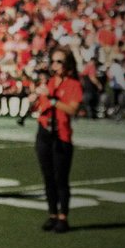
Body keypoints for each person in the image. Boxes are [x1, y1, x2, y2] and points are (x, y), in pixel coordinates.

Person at [33, 46, 83, 234]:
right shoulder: (50, 82)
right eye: (53, 61)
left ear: (67, 64)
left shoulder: (73, 85)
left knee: (60, 178)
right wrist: (36, 97)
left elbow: (73, 110)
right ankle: (52, 214)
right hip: (44, 132)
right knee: (47, 177)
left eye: (59, 61)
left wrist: (53, 100)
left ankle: (63, 217)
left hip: (61, 135)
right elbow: (40, 107)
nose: (55, 65)